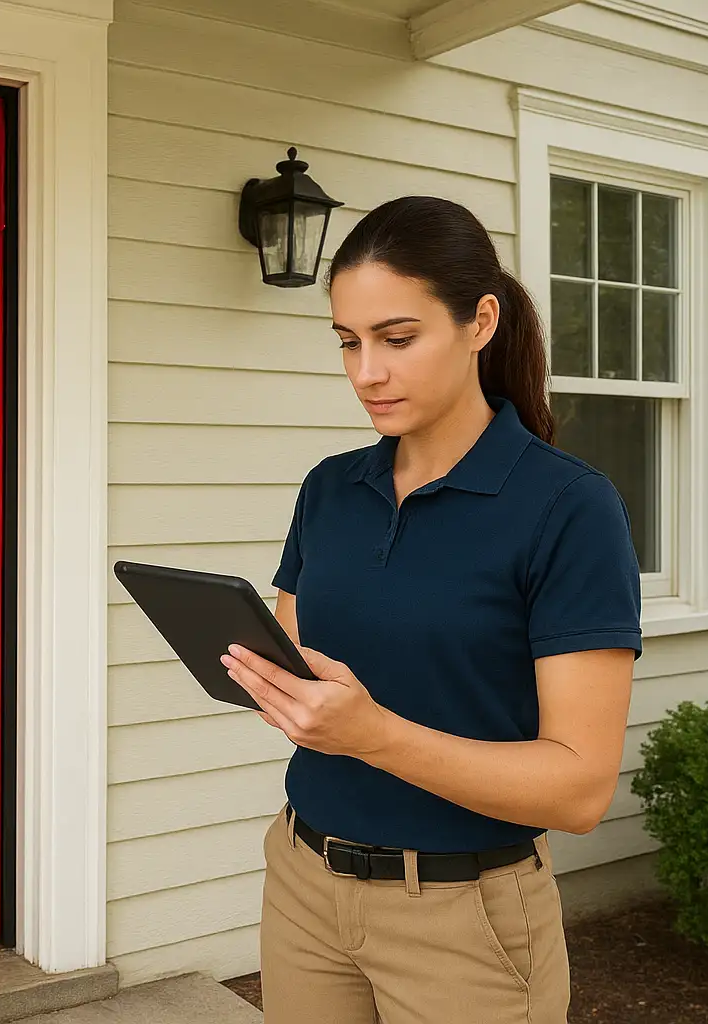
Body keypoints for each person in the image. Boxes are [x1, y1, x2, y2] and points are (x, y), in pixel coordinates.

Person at [220, 195, 642, 1024]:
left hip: (466, 916)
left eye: (397, 339)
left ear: (480, 321)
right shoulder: (332, 487)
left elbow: (580, 790)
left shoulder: (568, 509)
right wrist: (263, 675)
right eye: (348, 341)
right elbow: (298, 659)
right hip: (306, 880)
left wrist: (373, 734)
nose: (365, 372)